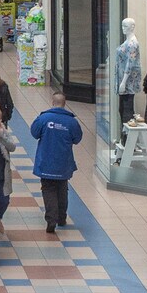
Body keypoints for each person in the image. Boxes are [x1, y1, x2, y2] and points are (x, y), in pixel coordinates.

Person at [31, 91, 85, 235]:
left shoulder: (43, 118)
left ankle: (51, 219)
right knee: (62, 189)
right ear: (64, 103)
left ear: (52, 102)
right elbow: (77, 138)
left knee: (48, 189)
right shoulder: (72, 122)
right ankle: (61, 218)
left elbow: (34, 133)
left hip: (46, 162)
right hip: (64, 163)